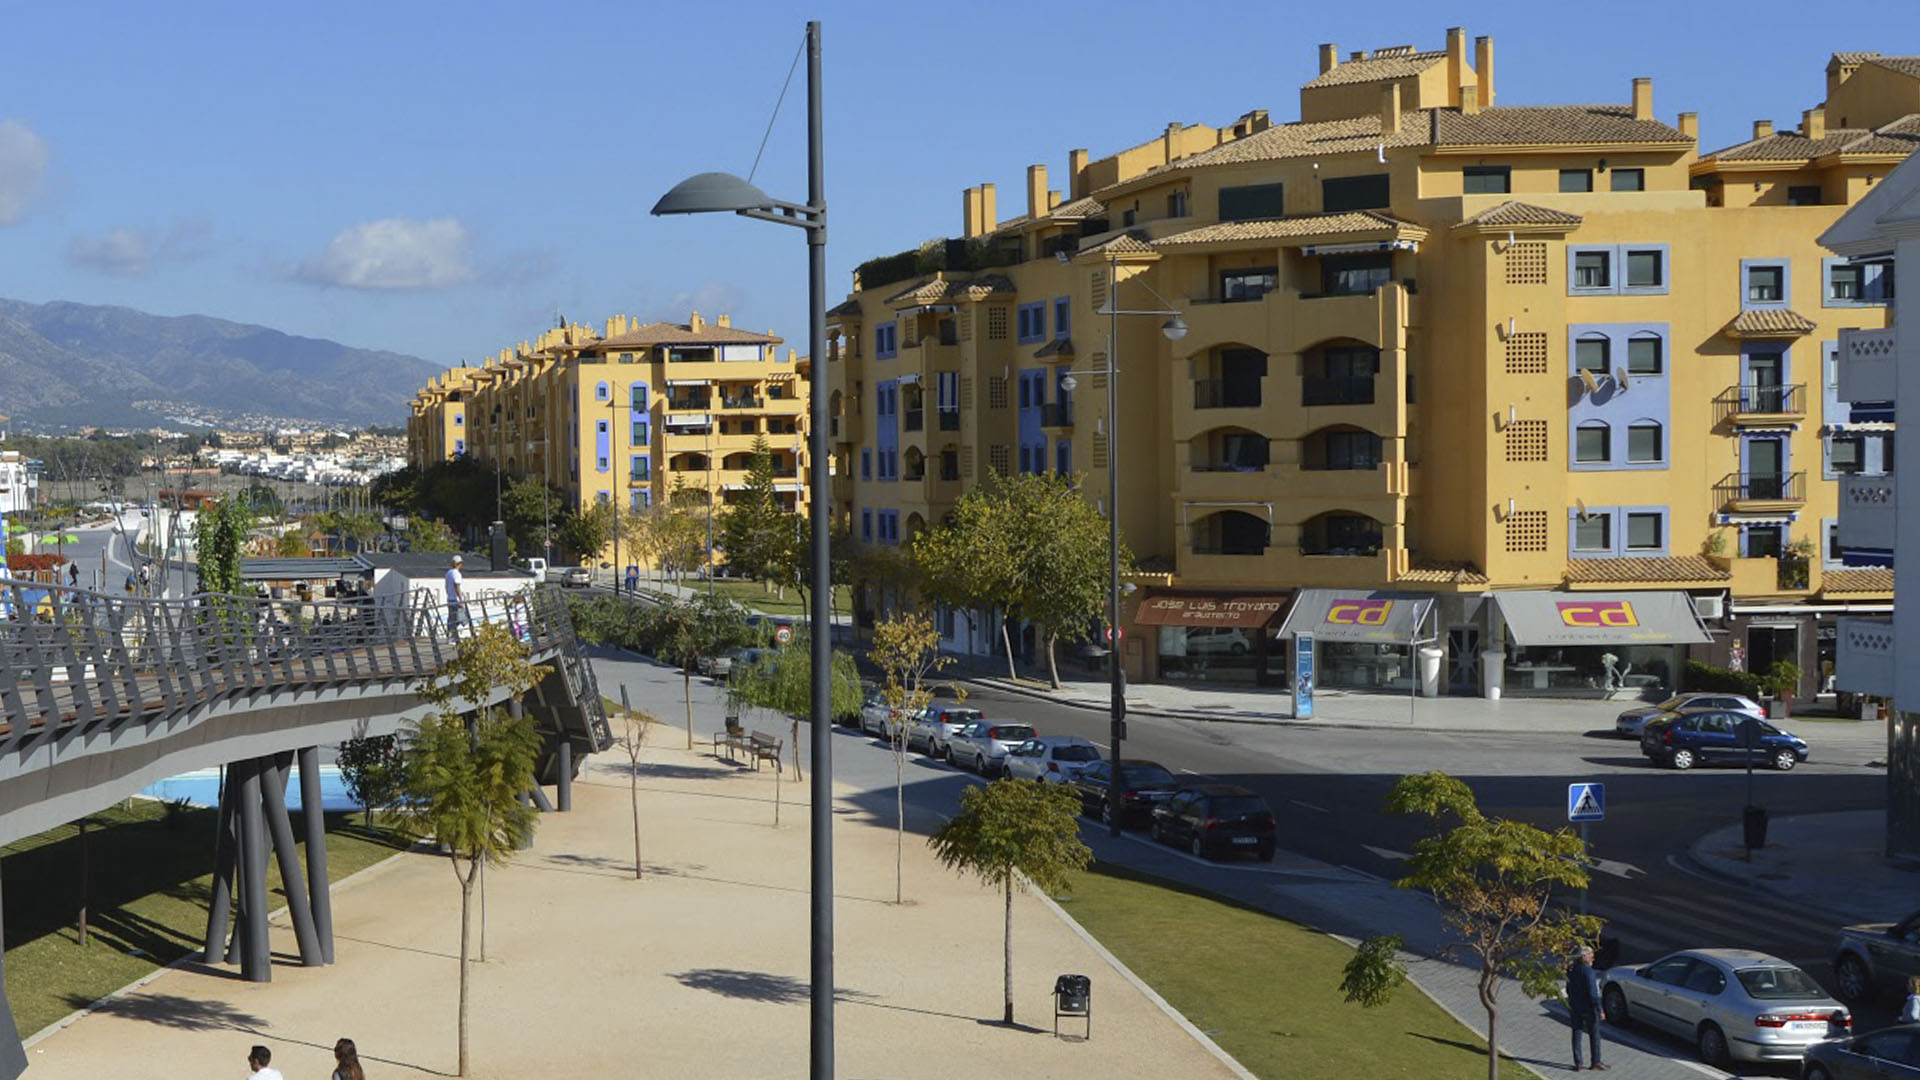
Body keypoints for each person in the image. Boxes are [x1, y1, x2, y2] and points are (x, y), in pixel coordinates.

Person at [1566, 945, 1608, 1070]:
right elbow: (1593, 992)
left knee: (1577, 1033)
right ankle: (1596, 1061)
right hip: (1588, 1008)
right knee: (1594, 1034)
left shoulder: (1572, 969)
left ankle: (1578, 1063)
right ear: (1584, 957)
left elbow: (1568, 988)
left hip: (1575, 1006)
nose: (1593, 959)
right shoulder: (1588, 971)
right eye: (1591, 956)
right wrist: (1599, 1009)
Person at [444, 554, 465, 637]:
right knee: (460, 618)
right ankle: (452, 636)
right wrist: (460, 599)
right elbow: (457, 587)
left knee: (451, 618)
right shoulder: (456, 574)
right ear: (459, 564)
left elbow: (446, 586)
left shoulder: (448, 573)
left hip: (450, 599)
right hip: (455, 600)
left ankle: (450, 635)